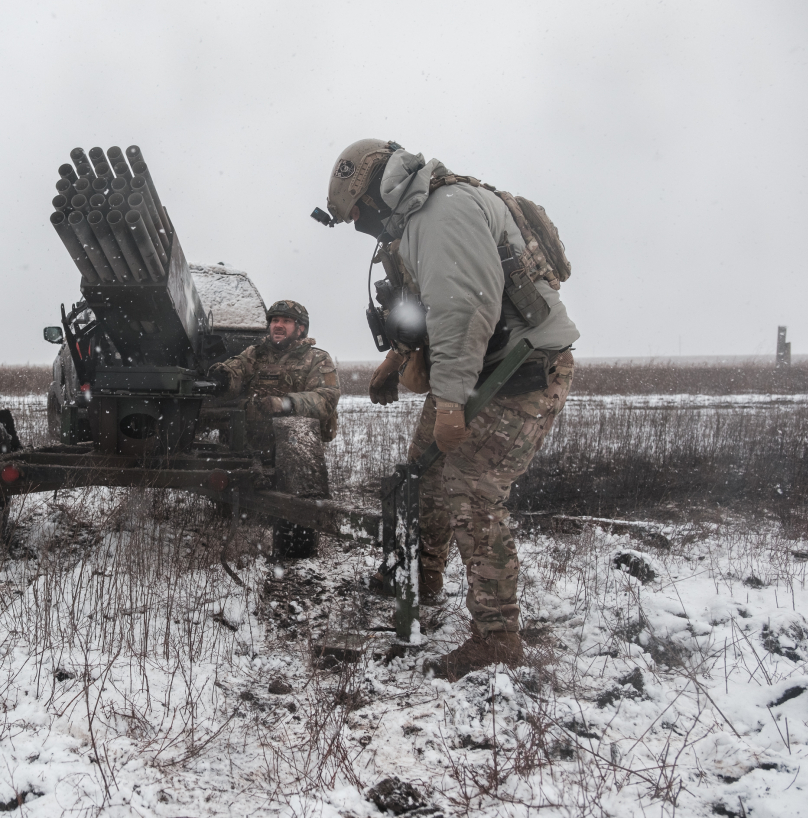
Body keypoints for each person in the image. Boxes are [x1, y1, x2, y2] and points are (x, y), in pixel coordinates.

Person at [323, 139, 579, 680]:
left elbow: (466, 310)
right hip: (478, 368)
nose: (363, 228)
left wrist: (450, 403)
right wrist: (398, 360)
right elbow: (437, 308)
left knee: (473, 493)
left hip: (519, 374)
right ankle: (421, 579)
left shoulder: (443, 213)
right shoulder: (421, 216)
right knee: (423, 472)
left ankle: (496, 639)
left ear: (372, 192)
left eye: (359, 216)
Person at [210, 300, 341, 558]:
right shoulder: (255, 353)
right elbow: (235, 370)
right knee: (232, 503)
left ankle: (294, 551)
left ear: (300, 328)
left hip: (294, 442)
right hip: (251, 441)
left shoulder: (317, 358)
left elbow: (327, 398)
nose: (278, 326)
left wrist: (286, 403)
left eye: (286, 321)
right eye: (274, 321)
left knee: (297, 520)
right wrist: (221, 377)